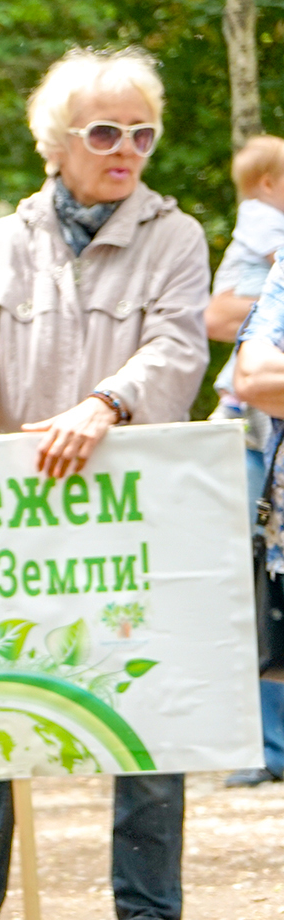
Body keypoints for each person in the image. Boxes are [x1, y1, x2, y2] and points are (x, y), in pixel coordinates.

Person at [0, 46, 206, 920]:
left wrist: (104, 405)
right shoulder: (4, 239)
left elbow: (179, 349)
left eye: (142, 133)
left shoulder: (175, 235)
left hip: (129, 512)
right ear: (57, 143)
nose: (128, 150)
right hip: (17, 518)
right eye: (106, 132)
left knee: (144, 707)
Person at [206, 136, 284, 787]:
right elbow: (220, 316)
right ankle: (267, 746)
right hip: (253, 434)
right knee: (260, 581)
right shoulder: (265, 233)